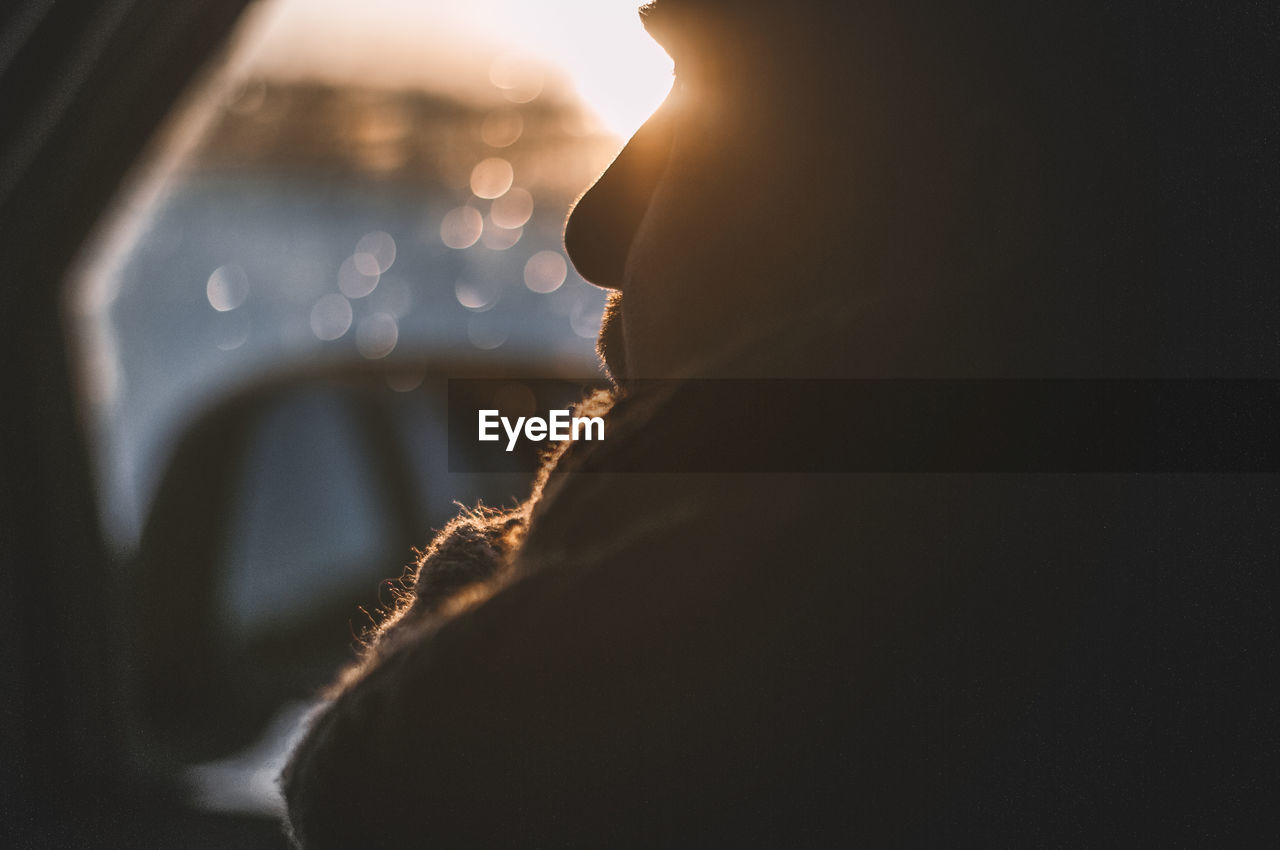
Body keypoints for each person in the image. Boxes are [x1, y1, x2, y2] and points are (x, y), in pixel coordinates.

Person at [282, 1, 1277, 846]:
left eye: (703, 95)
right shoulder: (1110, 635)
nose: (595, 232)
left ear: (964, 201)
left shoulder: (735, 726)